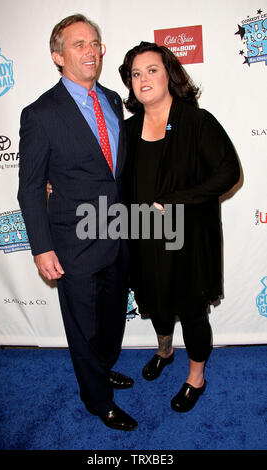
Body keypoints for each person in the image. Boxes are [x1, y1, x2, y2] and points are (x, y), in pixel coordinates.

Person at [18, 14, 138, 431]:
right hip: (74, 242)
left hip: (118, 234)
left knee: (111, 319)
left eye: (94, 43)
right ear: (57, 56)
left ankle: (101, 370)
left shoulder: (112, 99)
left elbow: (113, 171)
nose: (91, 51)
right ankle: (97, 400)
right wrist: (41, 246)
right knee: (84, 327)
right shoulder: (40, 114)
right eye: (78, 45)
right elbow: (30, 188)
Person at [119, 41, 240, 412]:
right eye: (136, 74)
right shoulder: (127, 128)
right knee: (155, 302)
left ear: (169, 74)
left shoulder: (196, 121)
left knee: (190, 310)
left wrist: (175, 200)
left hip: (187, 240)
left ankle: (196, 377)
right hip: (144, 237)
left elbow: (228, 172)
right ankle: (165, 351)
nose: (143, 79)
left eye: (151, 70)